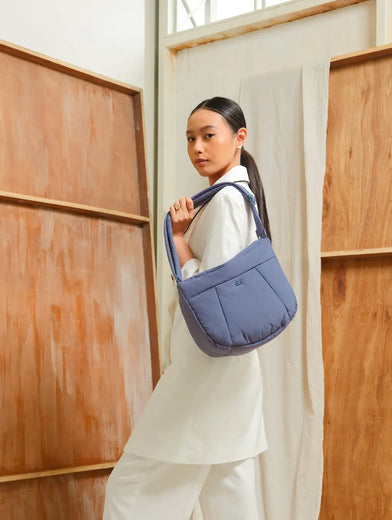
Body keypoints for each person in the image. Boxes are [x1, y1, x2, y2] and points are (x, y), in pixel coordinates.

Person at [103, 96, 271, 520]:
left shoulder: (228, 200)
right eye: (190, 138)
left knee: (131, 489)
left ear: (239, 137)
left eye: (208, 136)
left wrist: (179, 240)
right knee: (229, 495)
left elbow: (217, 293)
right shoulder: (233, 196)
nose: (197, 147)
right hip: (233, 374)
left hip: (205, 374)